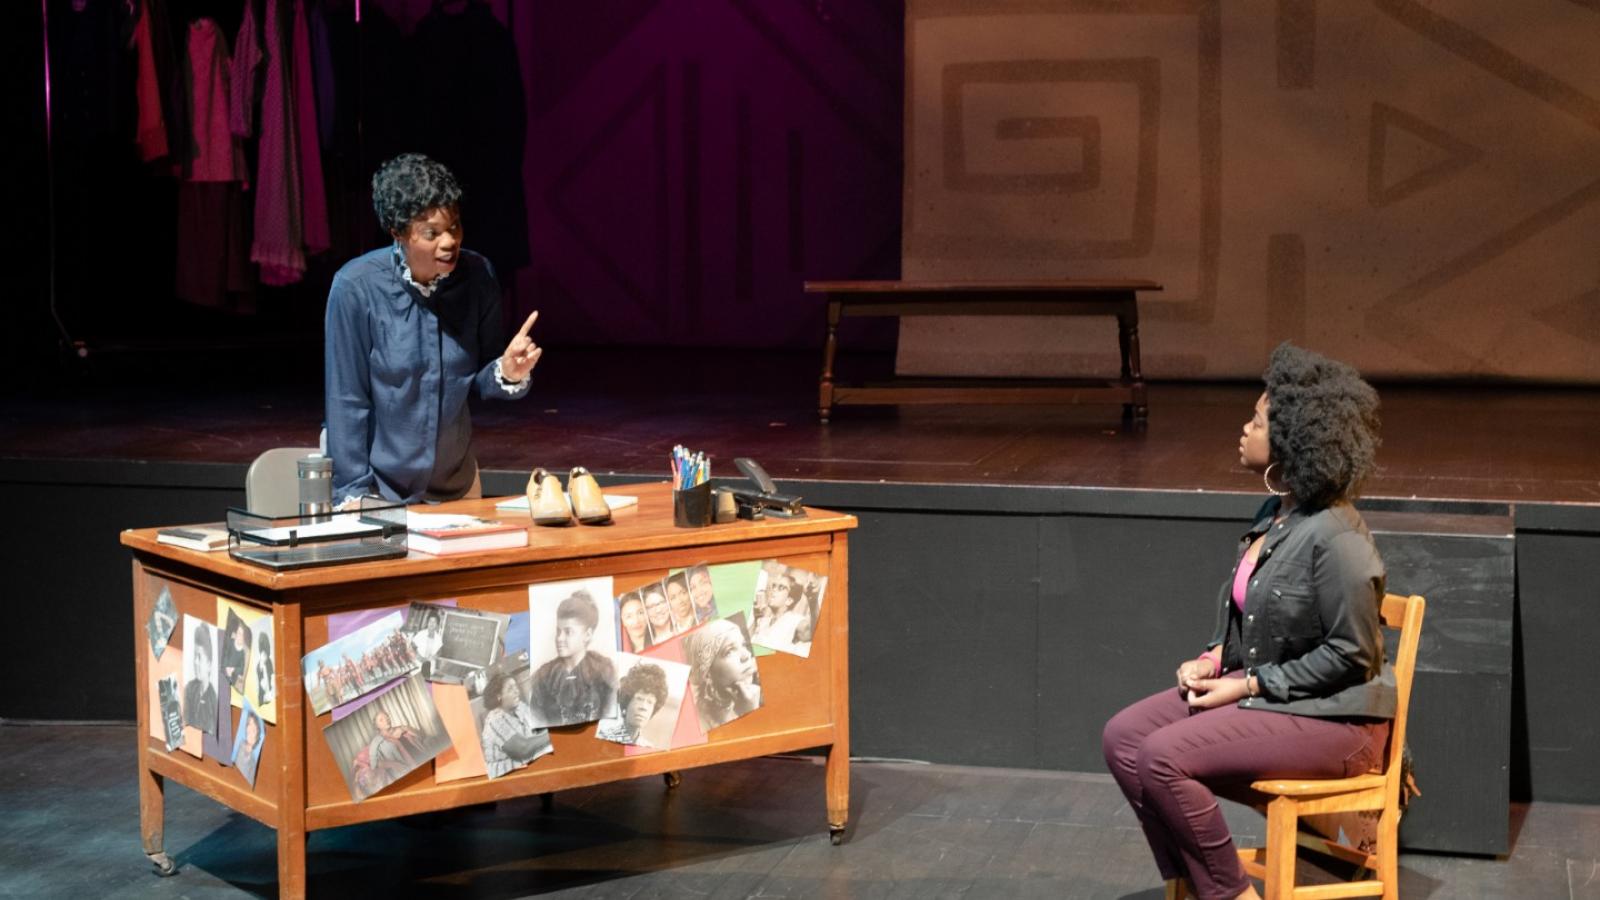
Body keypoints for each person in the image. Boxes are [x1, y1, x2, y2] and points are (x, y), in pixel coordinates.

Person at [1102, 343, 1391, 900]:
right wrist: (1213, 658)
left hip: (1339, 726)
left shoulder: (1337, 538)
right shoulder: (1275, 516)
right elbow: (1247, 617)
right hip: (1281, 702)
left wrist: (1248, 684)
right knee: (1125, 738)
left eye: (1256, 421)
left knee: (1163, 757)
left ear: (1290, 442)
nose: (1244, 428)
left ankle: (1232, 895)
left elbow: (1353, 656)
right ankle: (1190, 882)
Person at [324, 153, 541, 505]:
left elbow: (481, 380)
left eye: (454, 226)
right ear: (398, 233)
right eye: (432, 233)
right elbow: (345, 398)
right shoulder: (356, 287)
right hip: (380, 491)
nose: (448, 241)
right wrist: (354, 495)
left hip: (455, 487)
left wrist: (508, 371)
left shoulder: (478, 275)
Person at [529, 590, 618, 726]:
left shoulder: (605, 670)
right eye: (558, 631)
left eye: (568, 632)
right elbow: (537, 721)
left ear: (587, 634)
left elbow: (610, 716)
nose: (560, 638)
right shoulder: (543, 676)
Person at [686, 616, 761, 732]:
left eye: (743, 645)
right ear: (707, 674)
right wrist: (749, 715)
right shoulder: (698, 725)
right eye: (729, 651)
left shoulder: (757, 695)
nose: (746, 655)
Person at [479, 669, 551, 778]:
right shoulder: (494, 720)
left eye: (515, 687)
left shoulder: (519, 707)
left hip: (526, 765)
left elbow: (539, 727)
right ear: (499, 696)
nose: (517, 691)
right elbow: (523, 749)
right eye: (510, 689)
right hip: (505, 776)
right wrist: (553, 734)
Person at [596, 662, 670, 747]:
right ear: (626, 702)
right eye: (639, 699)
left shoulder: (647, 747)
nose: (644, 707)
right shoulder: (605, 738)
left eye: (650, 702)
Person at [751, 570, 805, 650]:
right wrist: (756, 618)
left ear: (789, 600)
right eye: (774, 586)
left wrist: (813, 602)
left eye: (781, 588)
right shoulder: (763, 621)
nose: (774, 590)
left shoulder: (795, 621)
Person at [183, 624, 218, 730]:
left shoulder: (213, 701)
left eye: (199, 657)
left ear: (209, 664)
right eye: (195, 656)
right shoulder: (189, 689)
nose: (195, 662)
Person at [221, 614, 250, 697]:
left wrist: (233, 669)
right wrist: (227, 667)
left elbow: (241, 669)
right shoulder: (230, 643)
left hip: (233, 677)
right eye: (239, 633)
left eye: (242, 634)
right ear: (236, 634)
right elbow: (225, 655)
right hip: (225, 670)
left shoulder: (242, 653)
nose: (239, 636)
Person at [411, 610, 445, 678]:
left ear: (437, 624)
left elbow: (440, 651)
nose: (432, 624)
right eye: (430, 621)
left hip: (429, 668)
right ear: (427, 623)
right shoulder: (421, 634)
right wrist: (418, 656)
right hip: (418, 665)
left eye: (434, 622)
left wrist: (435, 656)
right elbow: (412, 646)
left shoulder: (438, 638)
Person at [254, 630, 275, 708]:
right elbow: (259, 686)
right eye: (263, 654)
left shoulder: (270, 662)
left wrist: (272, 690)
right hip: (262, 698)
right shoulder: (258, 666)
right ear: (260, 653)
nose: (264, 656)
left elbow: (272, 677)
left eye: (266, 654)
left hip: (271, 696)